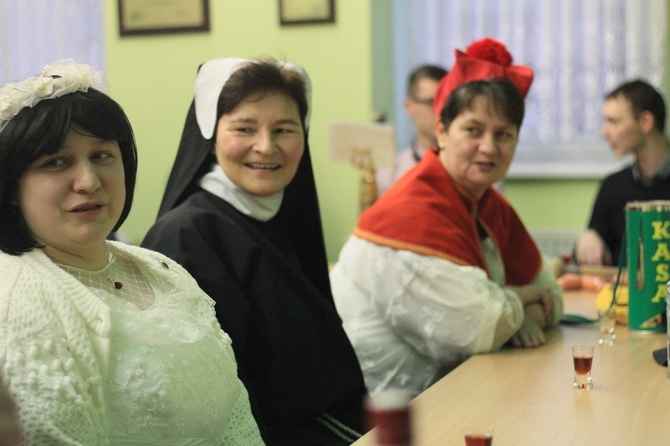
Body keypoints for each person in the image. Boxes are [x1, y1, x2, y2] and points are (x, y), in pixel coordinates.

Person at [0, 60, 262, 445]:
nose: (89, 181)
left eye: (102, 156)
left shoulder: (161, 268)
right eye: (55, 162)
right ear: (11, 190)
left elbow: (236, 414)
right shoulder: (17, 302)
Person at [142, 58, 367, 445]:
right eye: (244, 128)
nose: (266, 147)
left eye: (284, 129)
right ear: (211, 138)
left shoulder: (276, 216)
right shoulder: (188, 236)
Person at [330, 38, 564, 397]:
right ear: (441, 131)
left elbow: (552, 294)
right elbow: (480, 326)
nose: (489, 147)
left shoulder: (485, 201)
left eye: (504, 135)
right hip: (377, 410)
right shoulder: (413, 206)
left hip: (456, 391)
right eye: (473, 130)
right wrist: (529, 297)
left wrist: (530, 311)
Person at [575, 80, 670, 266]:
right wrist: (589, 237)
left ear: (645, 122)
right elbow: (593, 249)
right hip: (623, 293)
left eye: (614, 121)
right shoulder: (613, 185)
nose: (604, 132)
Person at [375, 64, 448, 196]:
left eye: (446, 103)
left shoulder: (468, 171)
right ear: (410, 106)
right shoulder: (390, 174)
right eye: (432, 103)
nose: (441, 112)